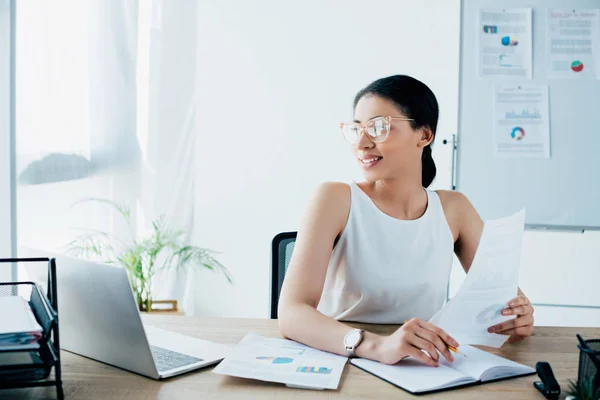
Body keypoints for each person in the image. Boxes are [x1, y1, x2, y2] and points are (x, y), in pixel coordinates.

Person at [277, 75, 534, 367]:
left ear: (424, 135)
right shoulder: (334, 198)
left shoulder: (455, 209)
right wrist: (377, 345)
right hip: (338, 358)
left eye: (378, 127)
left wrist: (516, 319)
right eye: (357, 129)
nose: (362, 143)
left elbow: (505, 303)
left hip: (419, 364)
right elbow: (291, 313)